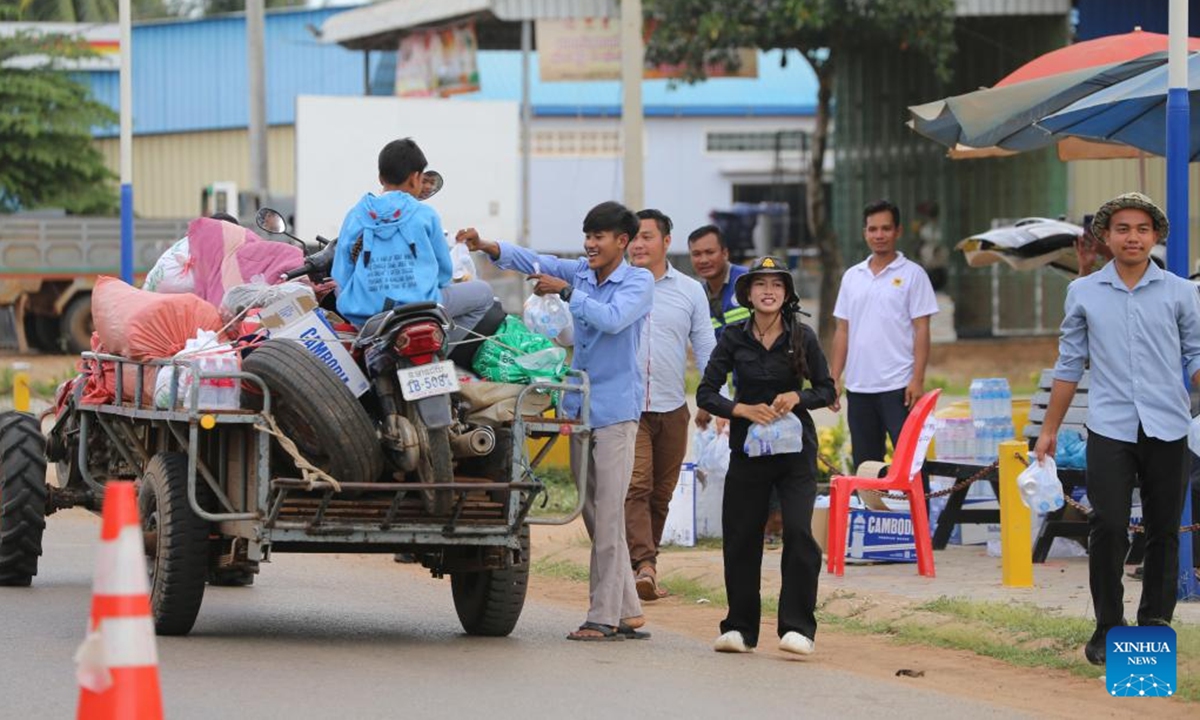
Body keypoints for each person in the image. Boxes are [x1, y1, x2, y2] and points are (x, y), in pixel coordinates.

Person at [458, 201, 655, 642]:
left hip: (616, 413)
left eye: (599, 237)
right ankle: (628, 610)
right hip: (578, 407)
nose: (590, 245)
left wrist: (565, 293)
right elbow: (532, 260)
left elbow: (612, 320)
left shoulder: (638, 282)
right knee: (593, 510)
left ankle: (602, 617)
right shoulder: (581, 271)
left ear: (622, 242)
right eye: (587, 235)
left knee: (608, 515)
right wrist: (485, 245)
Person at [1034, 193, 1200, 666]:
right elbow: (1068, 364)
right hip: (1110, 425)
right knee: (1107, 524)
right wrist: (1049, 429)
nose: (1133, 237)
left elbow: (1195, 355)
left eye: (1143, 229)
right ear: (1106, 237)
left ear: (1156, 237)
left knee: (1164, 529)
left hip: (1168, 425)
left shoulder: (1180, 292)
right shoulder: (1083, 293)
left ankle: (1154, 625)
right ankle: (1108, 625)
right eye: (1123, 229)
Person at [696, 256, 836, 656]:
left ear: (787, 294)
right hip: (748, 451)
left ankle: (798, 628)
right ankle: (739, 627)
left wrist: (798, 397)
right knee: (741, 537)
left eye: (777, 284)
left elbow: (827, 390)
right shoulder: (733, 338)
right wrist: (741, 409)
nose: (768, 291)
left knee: (798, 531)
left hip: (795, 453)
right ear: (749, 294)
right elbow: (707, 392)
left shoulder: (803, 336)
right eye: (761, 285)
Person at [624, 209, 716, 601]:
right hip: (627, 408)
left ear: (666, 241)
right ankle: (643, 564)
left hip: (672, 406)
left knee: (660, 493)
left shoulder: (690, 290)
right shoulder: (616, 284)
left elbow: (707, 346)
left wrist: (712, 397)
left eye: (646, 237)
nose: (638, 245)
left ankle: (644, 566)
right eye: (633, 238)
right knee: (637, 485)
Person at [330, 138, 493, 343]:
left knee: (337, 288)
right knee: (484, 293)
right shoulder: (425, 214)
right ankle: (439, 346)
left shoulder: (355, 215)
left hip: (366, 315)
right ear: (416, 178)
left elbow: (341, 274)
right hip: (421, 308)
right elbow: (443, 273)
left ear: (381, 178)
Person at [829, 199, 939, 470]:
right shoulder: (852, 277)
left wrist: (917, 379)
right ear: (865, 232)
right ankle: (870, 512)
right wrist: (833, 378)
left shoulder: (914, 275)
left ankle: (918, 512)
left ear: (897, 231)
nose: (879, 235)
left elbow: (922, 328)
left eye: (886, 229)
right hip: (859, 388)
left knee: (911, 465)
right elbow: (842, 330)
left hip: (899, 387)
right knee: (867, 466)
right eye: (873, 229)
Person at [689, 224, 748, 430]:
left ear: (725, 253)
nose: (703, 260)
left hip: (761, 387)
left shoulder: (748, 282)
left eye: (709, 252)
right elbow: (710, 354)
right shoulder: (697, 295)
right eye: (696, 254)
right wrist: (711, 402)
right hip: (732, 389)